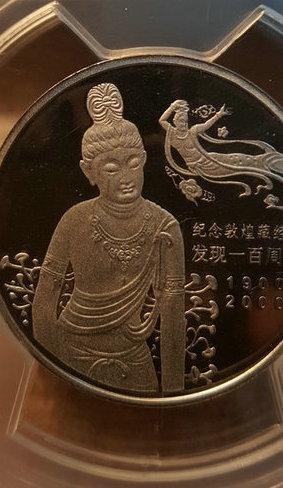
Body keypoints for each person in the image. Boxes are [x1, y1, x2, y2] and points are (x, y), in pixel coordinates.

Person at [32, 82, 186, 395]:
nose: (127, 178)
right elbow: (45, 300)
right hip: (71, 352)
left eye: (133, 164)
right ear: (88, 172)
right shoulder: (74, 220)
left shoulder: (165, 226)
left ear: (145, 159)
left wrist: (174, 393)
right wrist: (50, 373)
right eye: (112, 169)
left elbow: (172, 314)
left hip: (135, 357)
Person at [159, 98, 283, 205]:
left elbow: (206, 124)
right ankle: (281, 179)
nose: (183, 124)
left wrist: (218, 115)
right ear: (175, 122)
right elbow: (162, 121)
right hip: (200, 167)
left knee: (238, 158)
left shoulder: (192, 131)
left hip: (209, 158)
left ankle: (275, 165)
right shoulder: (172, 134)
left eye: (185, 122)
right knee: (238, 168)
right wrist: (172, 107)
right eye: (181, 121)